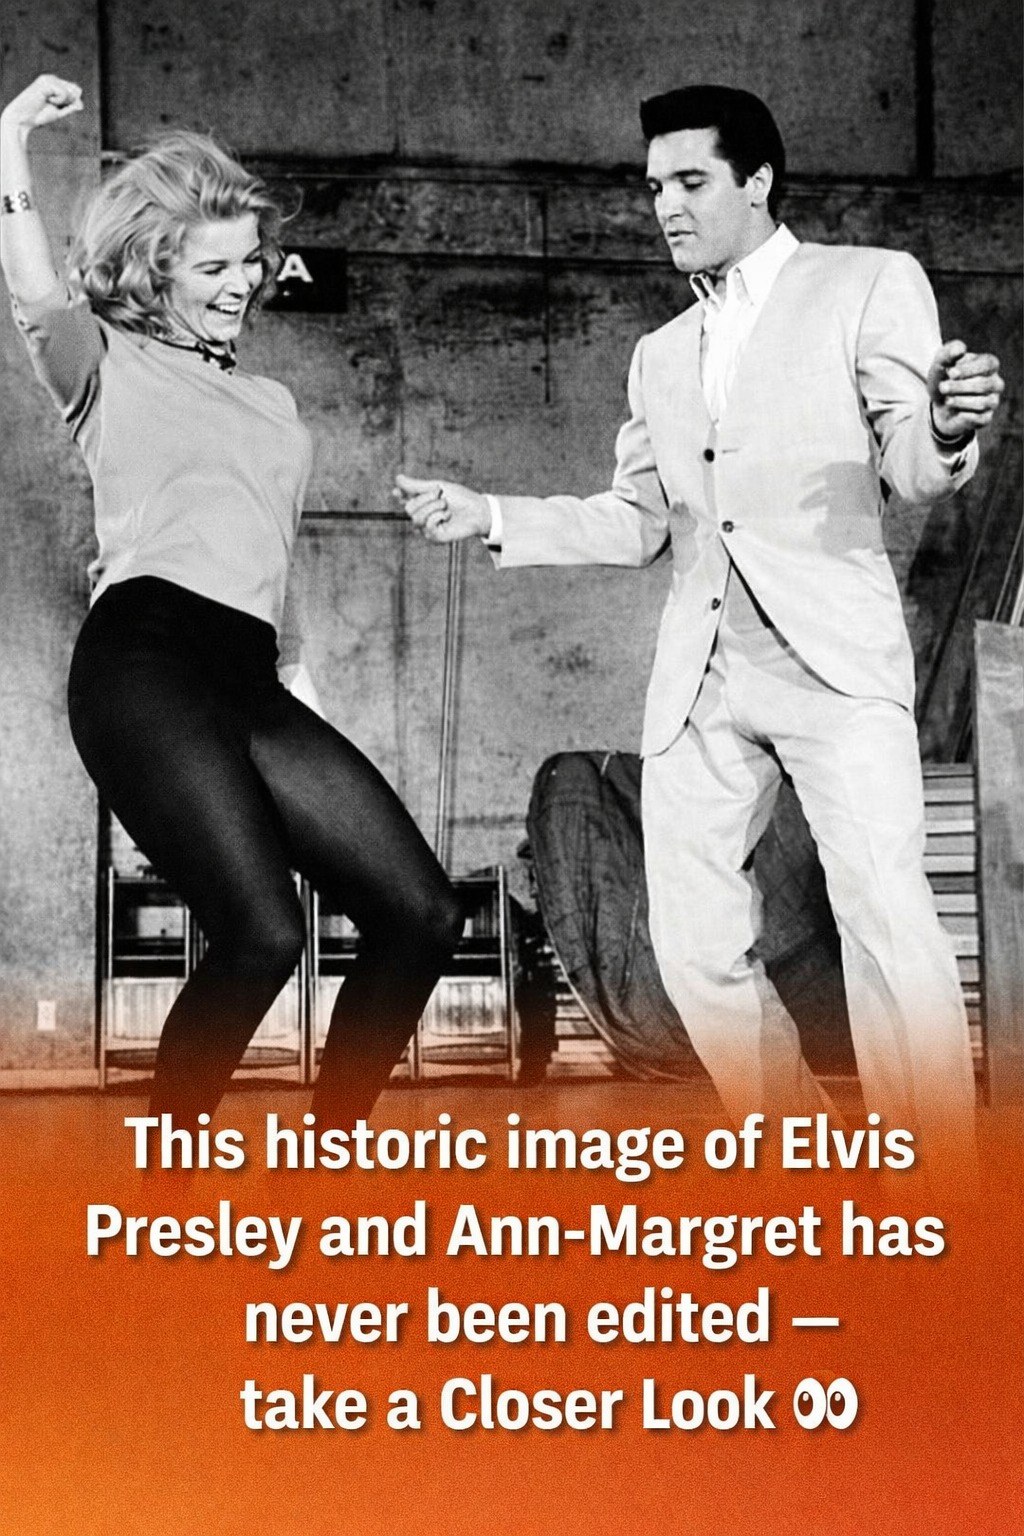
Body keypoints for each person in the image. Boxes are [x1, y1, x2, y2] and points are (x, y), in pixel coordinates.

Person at [396, 85, 1003, 1164]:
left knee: (883, 918)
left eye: (688, 182)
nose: (664, 206)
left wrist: (949, 426)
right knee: (690, 947)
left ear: (756, 181)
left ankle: (941, 1193)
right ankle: (803, 1162)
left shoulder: (864, 283)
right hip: (703, 676)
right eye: (653, 188)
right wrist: (492, 514)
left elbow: (911, 461)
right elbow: (640, 522)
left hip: (832, 661)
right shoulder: (661, 352)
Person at [1, 74, 463, 1129]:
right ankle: (169, 1173)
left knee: (423, 916)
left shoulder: (270, 401)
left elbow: (269, 553)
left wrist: (304, 685)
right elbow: (31, 288)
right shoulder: (101, 362)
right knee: (262, 935)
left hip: (250, 674)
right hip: (144, 663)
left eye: (249, 261)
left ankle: (332, 1153)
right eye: (212, 267)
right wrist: (10, 138)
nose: (240, 283)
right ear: (153, 270)